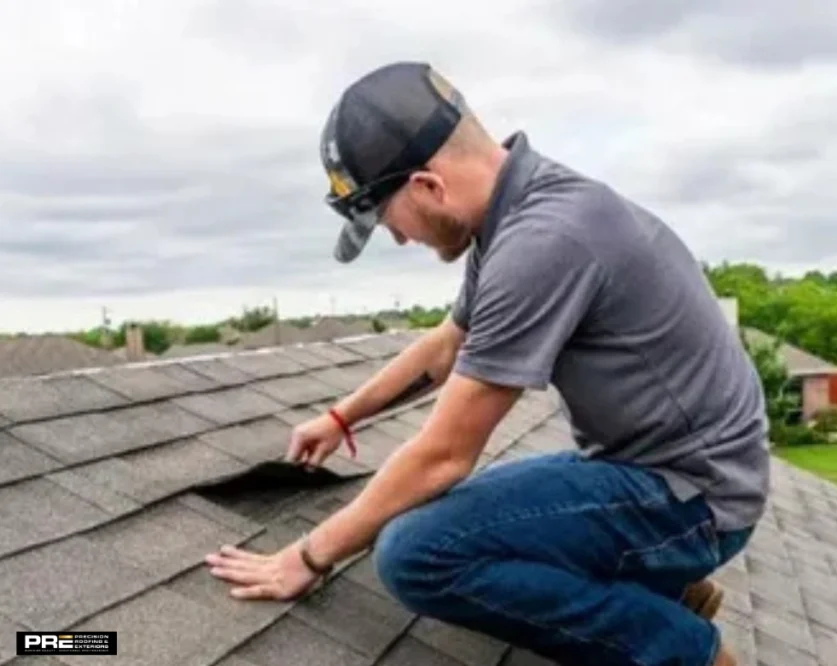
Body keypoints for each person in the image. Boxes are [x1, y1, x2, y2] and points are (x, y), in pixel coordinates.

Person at [205, 61, 770, 666]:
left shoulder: (544, 241)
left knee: (415, 552)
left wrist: (306, 557)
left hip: (695, 499)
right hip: (658, 468)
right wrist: (343, 417)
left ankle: (686, 650)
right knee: (432, 512)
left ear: (428, 186)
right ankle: (667, 589)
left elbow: (442, 457)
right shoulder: (513, 212)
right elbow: (447, 348)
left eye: (386, 219)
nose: (397, 240)